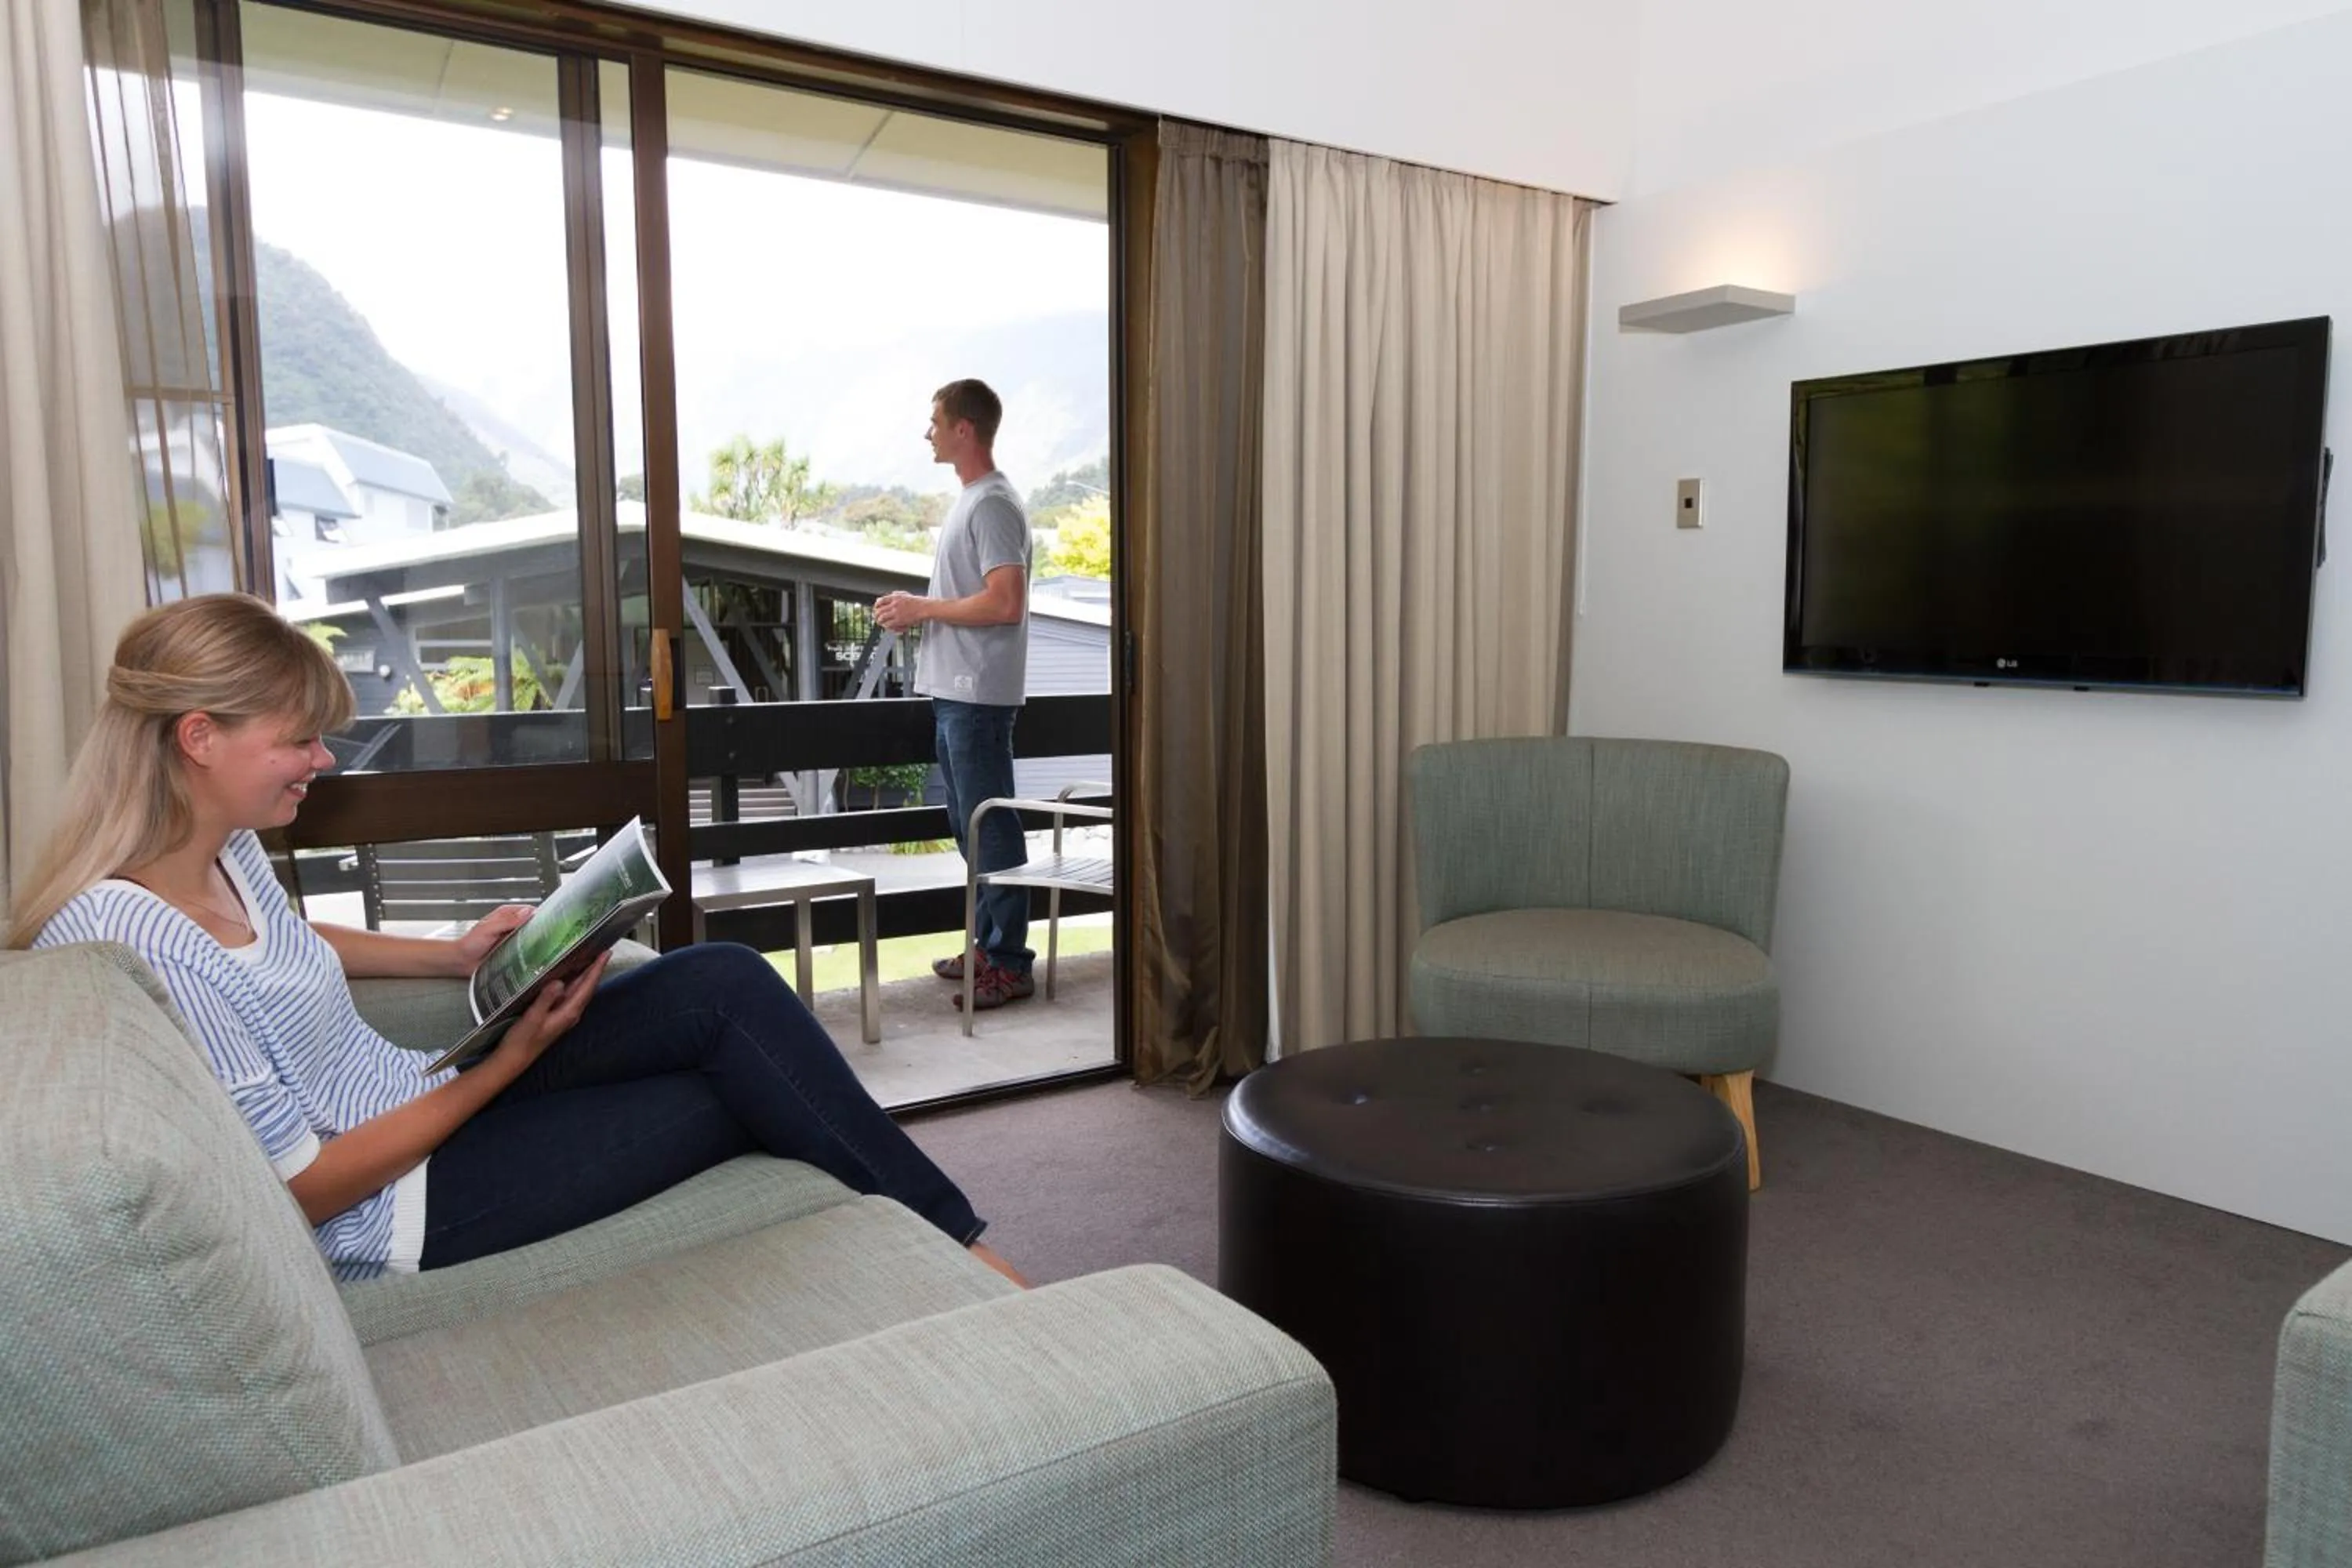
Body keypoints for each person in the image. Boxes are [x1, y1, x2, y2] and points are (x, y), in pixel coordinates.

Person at [8, 593, 1024, 1287]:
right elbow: (305, 1186)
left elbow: (278, 945)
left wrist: (454, 956)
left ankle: (955, 1241)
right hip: (394, 1207)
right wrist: (507, 1069)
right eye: (297, 737)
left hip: (418, 1093)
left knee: (721, 981)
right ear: (199, 737)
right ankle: (970, 1260)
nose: (320, 759)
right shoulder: (123, 934)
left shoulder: (218, 856)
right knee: (734, 1090)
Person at [874, 379, 1036, 1012]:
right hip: (956, 694)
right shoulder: (974, 500)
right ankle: (988, 945)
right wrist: (919, 612)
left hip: (976, 696)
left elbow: (1006, 601)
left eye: (936, 421)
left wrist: (921, 608)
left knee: (990, 828)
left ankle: (1008, 961)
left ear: (964, 428)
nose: (928, 432)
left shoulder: (993, 504)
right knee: (969, 827)